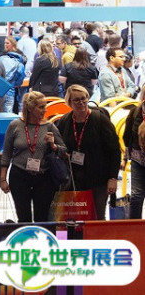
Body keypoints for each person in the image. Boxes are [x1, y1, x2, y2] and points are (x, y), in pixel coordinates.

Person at [56, 84, 121, 220]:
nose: (81, 102)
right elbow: (61, 146)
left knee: (97, 217)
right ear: (69, 102)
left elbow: (115, 149)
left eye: (84, 98)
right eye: (77, 100)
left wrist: (113, 178)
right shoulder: (65, 121)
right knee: (74, 217)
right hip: (74, 179)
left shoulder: (100, 119)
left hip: (98, 178)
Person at [0, 92, 66, 223]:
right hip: (19, 176)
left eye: (45, 106)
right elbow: (6, 154)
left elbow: (64, 150)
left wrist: (53, 145)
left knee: (42, 217)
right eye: (41, 107)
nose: (45, 110)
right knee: (23, 217)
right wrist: (3, 179)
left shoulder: (49, 126)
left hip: (43, 177)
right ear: (30, 108)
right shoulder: (15, 126)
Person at [123, 90, 145, 219]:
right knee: (136, 197)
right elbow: (127, 138)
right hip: (138, 160)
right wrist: (125, 159)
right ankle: (134, 227)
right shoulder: (135, 112)